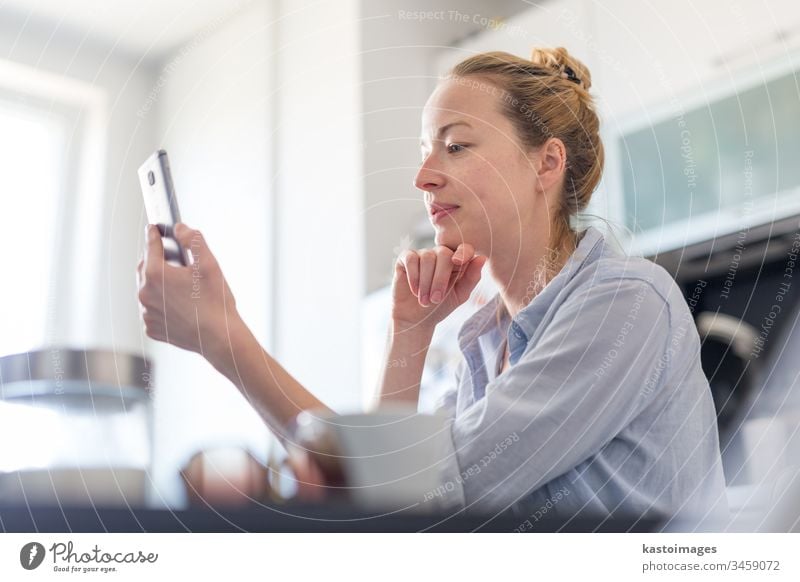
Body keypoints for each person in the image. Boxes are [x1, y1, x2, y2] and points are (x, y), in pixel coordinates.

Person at [137, 47, 728, 521]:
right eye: (425, 151)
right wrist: (409, 336)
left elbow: (433, 494)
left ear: (546, 164)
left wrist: (225, 338)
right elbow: (381, 495)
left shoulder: (624, 303)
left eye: (456, 146)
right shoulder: (485, 342)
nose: (423, 177)